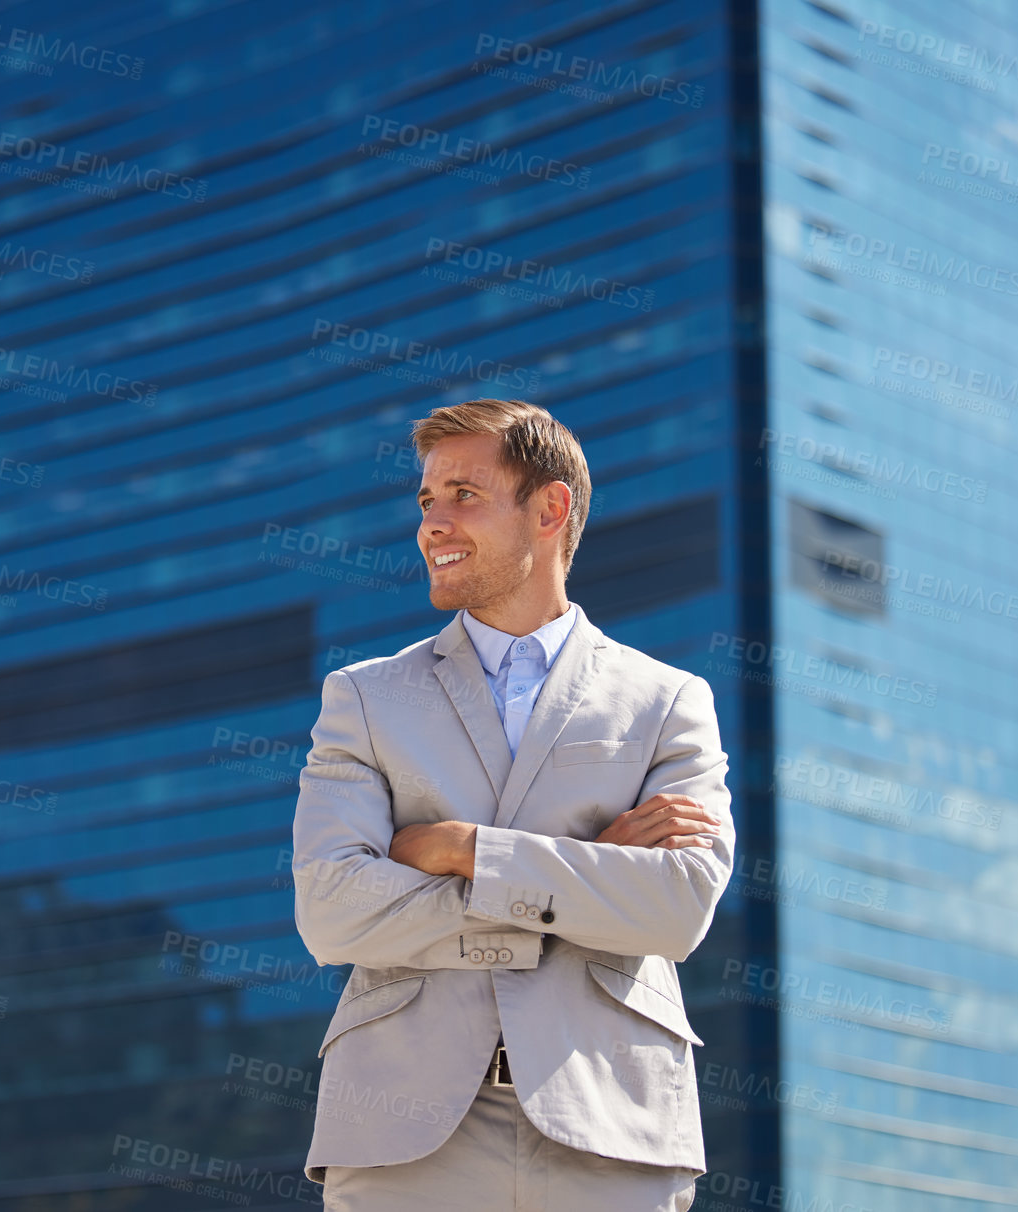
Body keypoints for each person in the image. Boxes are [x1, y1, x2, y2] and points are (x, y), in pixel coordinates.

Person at [292, 398, 733, 1211]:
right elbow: (331, 912)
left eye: (462, 493)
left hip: (609, 1121)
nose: (432, 522)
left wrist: (461, 848)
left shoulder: (667, 700)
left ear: (550, 507)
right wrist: (594, 878)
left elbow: (675, 912)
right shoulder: (362, 697)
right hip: (402, 1131)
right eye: (426, 501)